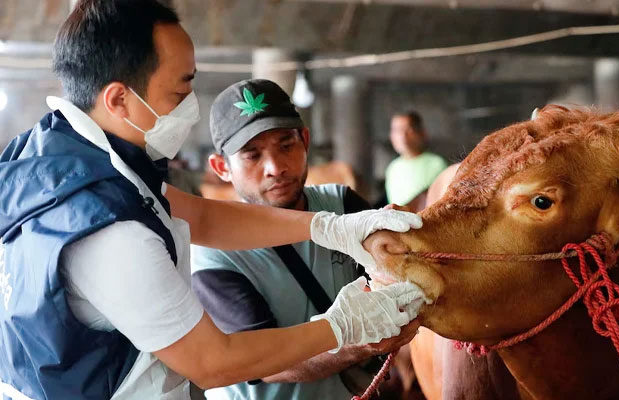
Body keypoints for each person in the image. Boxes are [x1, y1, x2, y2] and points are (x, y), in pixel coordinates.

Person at [0, 2, 426, 399]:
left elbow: (200, 215)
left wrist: (330, 227)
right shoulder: (109, 232)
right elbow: (212, 361)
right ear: (118, 99)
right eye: (178, 91)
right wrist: (344, 326)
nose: (190, 105)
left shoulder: (63, 157)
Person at [192, 79, 420, 400]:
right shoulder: (212, 252)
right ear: (222, 168)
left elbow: (396, 281)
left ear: (305, 141)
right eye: (252, 155)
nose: (275, 167)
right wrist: (354, 346)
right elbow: (263, 362)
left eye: (286, 146)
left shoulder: (343, 206)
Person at [385, 111, 448, 207]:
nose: (403, 136)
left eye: (408, 129)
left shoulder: (437, 164)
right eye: (397, 130)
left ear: (422, 133)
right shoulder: (392, 168)